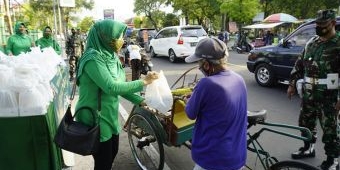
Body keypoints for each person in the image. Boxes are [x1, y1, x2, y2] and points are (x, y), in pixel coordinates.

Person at [75, 19, 159, 170]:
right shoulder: (92, 59)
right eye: (116, 36)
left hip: (110, 115)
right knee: (103, 162)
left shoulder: (112, 56)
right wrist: (143, 82)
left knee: (112, 153)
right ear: (103, 37)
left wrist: (141, 101)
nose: (120, 40)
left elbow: (122, 87)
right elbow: (111, 87)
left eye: (121, 36)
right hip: (96, 118)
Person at [287, 9, 339, 170]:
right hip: (309, 94)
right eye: (317, 24)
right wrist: (292, 84)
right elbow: (299, 63)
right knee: (305, 123)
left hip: (329, 96)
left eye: (322, 24)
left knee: (330, 130)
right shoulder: (312, 42)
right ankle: (308, 148)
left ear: (332, 23)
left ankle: (333, 160)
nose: (319, 27)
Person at [184, 37, 247, 170]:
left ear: (207, 65)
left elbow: (190, 113)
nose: (200, 68)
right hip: (237, 157)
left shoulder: (206, 84)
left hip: (213, 160)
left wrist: (188, 101)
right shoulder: (239, 79)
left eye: (200, 64)